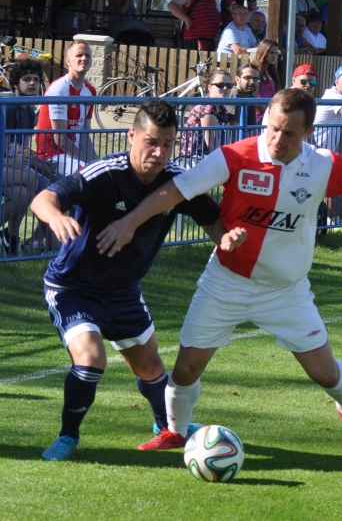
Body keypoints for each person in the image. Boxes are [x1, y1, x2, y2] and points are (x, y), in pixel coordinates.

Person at [94, 89, 342, 455]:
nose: (277, 139)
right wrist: (130, 222)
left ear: (308, 133)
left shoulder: (322, 164)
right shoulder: (234, 156)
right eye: (273, 128)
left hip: (285, 291)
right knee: (186, 369)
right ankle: (175, 431)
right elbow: (176, 190)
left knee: (325, 374)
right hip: (226, 282)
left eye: (289, 133)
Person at [30, 99, 224, 461]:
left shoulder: (177, 182)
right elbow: (44, 199)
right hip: (74, 288)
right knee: (91, 359)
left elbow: (214, 223)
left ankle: (166, 426)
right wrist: (55, 216)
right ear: (132, 135)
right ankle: (68, 437)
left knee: (150, 367)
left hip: (123, 292)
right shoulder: (106, 174)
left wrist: (231, 244)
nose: (159, 152)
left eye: (167, 144)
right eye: (151, 142)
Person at [1, 58, 53, 256]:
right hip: (4, 164)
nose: (32, 83)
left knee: (24, 193)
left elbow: (22, 147)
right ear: (15, 83)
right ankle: (12, 237)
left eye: (36, 80)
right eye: (26, 79)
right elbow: (6, 145)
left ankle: (10, 238)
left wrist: (37, 161)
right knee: (32, 178)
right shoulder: (8, 107)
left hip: (9, 166)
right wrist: (34, 163)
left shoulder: (29, 111)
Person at [35, 40, 97, 177]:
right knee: (91, 174)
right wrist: (91, 162)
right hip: (50, 156)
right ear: (68, 61)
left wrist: (98, 162)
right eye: (79, 55)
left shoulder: (90, 90)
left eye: (87, 55)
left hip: (72, 155)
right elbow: (61, 140)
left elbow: (84, 134)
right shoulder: (60, 89)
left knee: (104, 172)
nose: (84, 58)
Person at [178, 70, 232, 163]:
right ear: (210, 87)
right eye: (220, 84)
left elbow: (227, 142)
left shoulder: (223, 109)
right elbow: (212, 145)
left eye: (229, 85)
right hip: (194, 159)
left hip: (208, 158)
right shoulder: (207, 107)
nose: (225, 88)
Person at [252, 39, 282, 124]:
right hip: (259, 116)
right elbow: (254, 98)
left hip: (271, 114)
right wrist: (268, 112)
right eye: (271, 53)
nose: (274, 56)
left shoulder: (271, 70)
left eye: (276, 53)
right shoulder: (256, 71)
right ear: (263, 52)